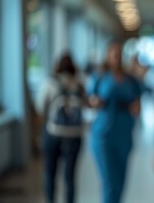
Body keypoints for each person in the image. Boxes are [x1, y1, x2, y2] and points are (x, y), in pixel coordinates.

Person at [87, 41, 142, 203]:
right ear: (107, 56)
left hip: (124, 133)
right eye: (113, 54)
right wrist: (95, 101)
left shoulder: (130, 79)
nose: (116, 58)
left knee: (120, 181)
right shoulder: (100, 76)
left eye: (118, 54)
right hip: (103, 134)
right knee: (109, 181)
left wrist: (134, 107)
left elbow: (138, 106)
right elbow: (90, 99)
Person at [36, 53, 85, 203]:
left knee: (50, 173)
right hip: (75, 135)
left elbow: (40, 108)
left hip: (54, 132)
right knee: (70, 177)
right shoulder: (79, 83)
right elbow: (84, 105)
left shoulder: (50, 82)